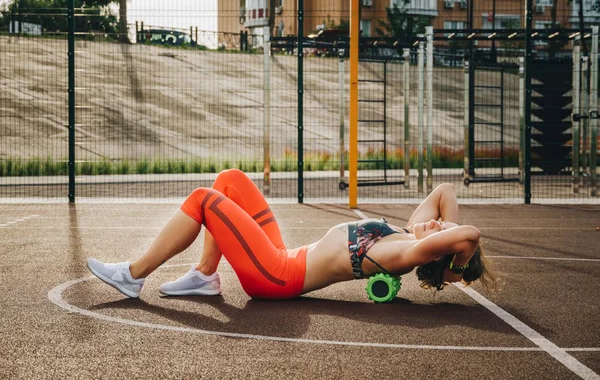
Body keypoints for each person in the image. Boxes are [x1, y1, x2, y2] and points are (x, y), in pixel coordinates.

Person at [87, 169, 496, 300]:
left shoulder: (410, 254)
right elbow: (446, 191)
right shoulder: (408, 233)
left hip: (276, 276)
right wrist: (448, 237)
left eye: (444, 229)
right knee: (230, 180)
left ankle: (133, 276)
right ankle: (206, 276)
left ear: (441, 253)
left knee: (203, 200)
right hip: (282, 254)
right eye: (444, 222)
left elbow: (470, 234)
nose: (441, 221)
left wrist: (456, 273)